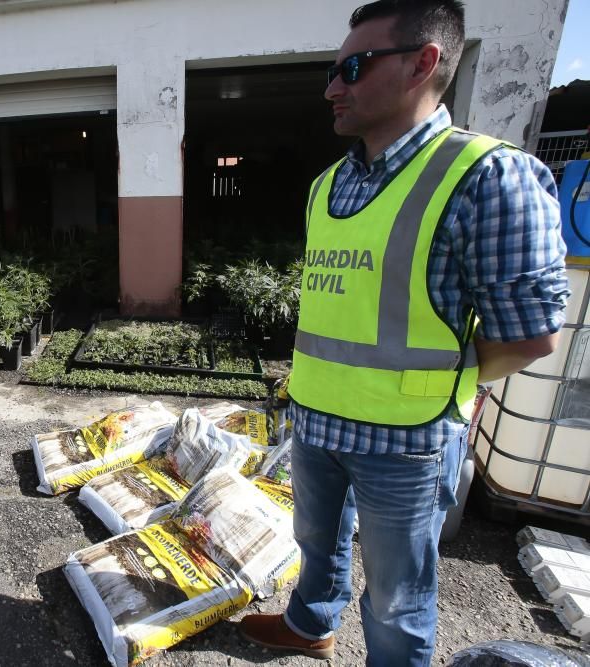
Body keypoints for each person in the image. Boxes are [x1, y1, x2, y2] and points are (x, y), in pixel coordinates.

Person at [238, 1, 570, 664]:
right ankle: (311, 624)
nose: (333, 87)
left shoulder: (485, 177)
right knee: (317, 547)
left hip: (407, 442)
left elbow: (531, 334)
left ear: (424, 63)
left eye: (353, 68)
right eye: (333, 71)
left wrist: (437, 380)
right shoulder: (327, 186)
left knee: (395, 601)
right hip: (318, 421)